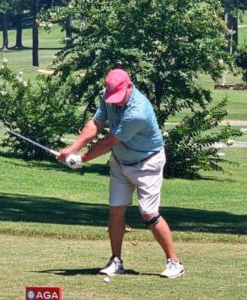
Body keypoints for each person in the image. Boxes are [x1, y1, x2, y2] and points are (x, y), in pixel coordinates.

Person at [58, 68, 184, 279]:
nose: (114, 102)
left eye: (118, 97)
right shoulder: (109, 96)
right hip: (120, 162)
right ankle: (116, 260)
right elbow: (95, 124)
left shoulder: (138, 112)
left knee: (149, 214)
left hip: (147, 163)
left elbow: (109, 141)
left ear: (129, 86)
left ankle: (175, 262)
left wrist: (81, 159)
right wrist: (73, 148)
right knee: (115, 212)